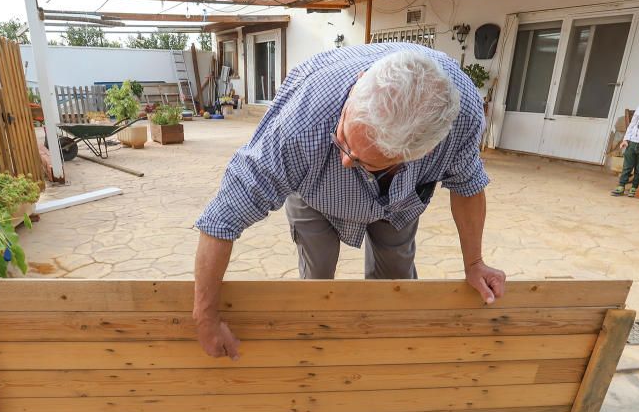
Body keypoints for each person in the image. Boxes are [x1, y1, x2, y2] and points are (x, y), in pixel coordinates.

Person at [193, 43, 506, 359]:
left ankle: (381, 356)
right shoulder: (299, 126)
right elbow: (221, 219)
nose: (345, 161)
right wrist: (205, 316)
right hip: (315, 194)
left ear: (419, 154)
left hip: (399, 201)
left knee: (396, 279)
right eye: (344, 138)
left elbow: (468, 186)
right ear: (359, 81)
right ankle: (317, 353)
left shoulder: (460, 117)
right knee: (318, 278)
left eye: (361, 160)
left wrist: (474, 263)